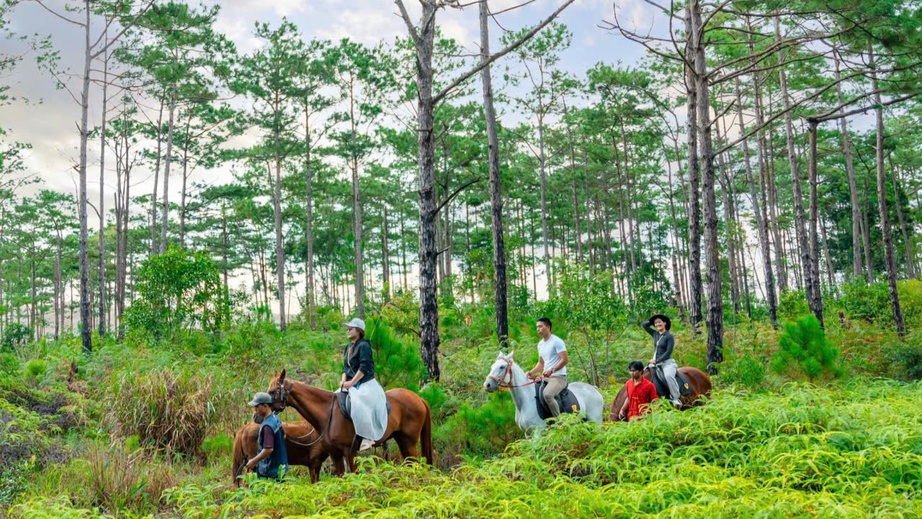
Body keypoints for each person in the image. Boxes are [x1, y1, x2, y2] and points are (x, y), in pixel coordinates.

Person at [340, 317, 387, 451]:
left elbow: (364, 367)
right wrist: (344, 381)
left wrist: (351, 383)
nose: (348, 331)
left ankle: (367, 436)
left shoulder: (364, 346)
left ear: (359, 331)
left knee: (359, 402)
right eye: (348, 329)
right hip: (350, 383)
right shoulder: (348, 347)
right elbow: (345, 367)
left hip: (365, 383)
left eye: (351, 328)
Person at [525, 317, 568, 417]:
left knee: (547, 394)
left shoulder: (557, 341)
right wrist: (531, 372)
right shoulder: (540, 344)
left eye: (540, 326)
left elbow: (564, 360)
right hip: (546, 377)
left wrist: (552, 370)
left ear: (548, 327)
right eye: (537, 327)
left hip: (558, 377)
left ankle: (559, 421)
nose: (538, 329)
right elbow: (541, 363)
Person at [245, 392, 288, 480]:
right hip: (281, 468)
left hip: (270, 471)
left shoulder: (267, 426)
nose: (255, 410)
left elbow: (268, 449)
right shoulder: (275, 419)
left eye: (257, 407)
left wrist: (254, 461)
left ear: (265, 406)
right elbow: (284, 436)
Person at [643, 313, 682, 407]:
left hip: (667, 363)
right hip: (655, 363)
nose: (657, 324)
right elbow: (644, 325)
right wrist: (653, 320)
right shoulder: (655, 334)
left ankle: (676, 399)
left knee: (668, 376)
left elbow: (668, 352)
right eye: (655, 323)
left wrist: (657, 360)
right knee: (643, 374)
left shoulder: (669, 336)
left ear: (665, 323)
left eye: (659, 322)